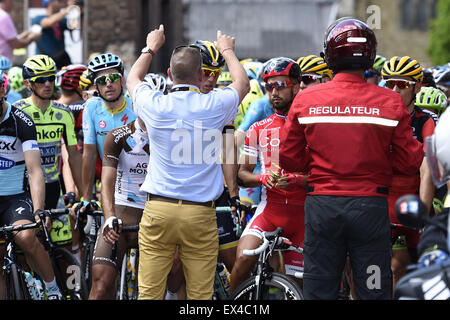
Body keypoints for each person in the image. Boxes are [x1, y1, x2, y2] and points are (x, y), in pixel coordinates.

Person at [279, 17, 424, 300]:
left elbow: (288, 158)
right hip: (370, 208)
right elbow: (410, 161)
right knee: (372, 290)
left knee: (319, 291)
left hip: (322, 206)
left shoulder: (307, 99)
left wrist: (318, 159)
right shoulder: (390, 102)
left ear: (330, 56)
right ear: (369, 56)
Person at [127, 25, 249, 299]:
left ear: (170, 75)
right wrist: (227, 50)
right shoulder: (214, 105)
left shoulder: (155, 104)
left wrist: (150, 47)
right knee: (200, 295)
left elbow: (133, 78)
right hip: (199, 213)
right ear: (202, 74)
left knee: (149, 293)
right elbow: (243, 84)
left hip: (158, 210)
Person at [230, 57, 307, 292]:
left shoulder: (310, 126)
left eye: (280, 85)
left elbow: (326, 176)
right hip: (269, 210)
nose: (274, 92)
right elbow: (243, 174)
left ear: (295, 85)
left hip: (304, 215)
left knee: (299, 286)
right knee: (243, 258)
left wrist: (296, 179)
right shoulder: (258, 128)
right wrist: (263, 178)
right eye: (269, 86)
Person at [0, 70, 63, 299]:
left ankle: (52, 287)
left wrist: (38, 209)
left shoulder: (21, 120)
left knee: (26, 237)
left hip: (16, 196)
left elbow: (36, 171)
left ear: (2, 90)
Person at [381, 56, 438, 288]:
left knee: (401, 267)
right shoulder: (377, 118)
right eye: (389, 84)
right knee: (364, 266)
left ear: (416, 87)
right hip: (379, 199)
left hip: (411, 200)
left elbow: (428, 168)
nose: (395, 90)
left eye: (402, 85)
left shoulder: (426, 120)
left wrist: (423, 212)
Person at [13, 54, 82, 210]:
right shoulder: (17, 110)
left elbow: (74, 156)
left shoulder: (64, 112)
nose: (48, 84)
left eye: (51, 78)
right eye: (40, 80)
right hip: (24, 188)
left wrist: (83, 196)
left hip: (53, 186)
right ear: (27, 84)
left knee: (69, 233)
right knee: (34, 234)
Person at [81, 52, 136, 205]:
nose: (108, 84)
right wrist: (86, 199)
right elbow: (89, 155)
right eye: (102, 81)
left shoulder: (135, 106)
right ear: (96, 86)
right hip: (106, 181)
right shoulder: (92, 107)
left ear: (122, 81)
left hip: (136, 183)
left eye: (113, 78)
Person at [32, 0, 80, 68]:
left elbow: (75, 25)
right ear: (50, 3)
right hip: (43, 62)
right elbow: (48, 22)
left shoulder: (61, 20)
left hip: (60, 60)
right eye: (58, 1)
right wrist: (67, 10)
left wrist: (78, 10)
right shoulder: (38, 18)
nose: (61, 4)